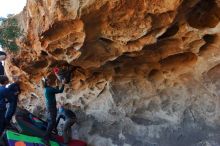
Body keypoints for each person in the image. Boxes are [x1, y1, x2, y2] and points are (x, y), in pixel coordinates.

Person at [42, 77, 65, 145]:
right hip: (51, 107)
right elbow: (60, 91)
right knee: (52, 122)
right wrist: (63, 84)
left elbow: (56, 91)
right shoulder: (49, 89)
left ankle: (51, 134)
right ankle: (45, 138)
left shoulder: (47, 89)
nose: (49, 78)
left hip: (50, 107)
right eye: (47, 78)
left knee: (52, 121)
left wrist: (57, 85)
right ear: (46, 82)